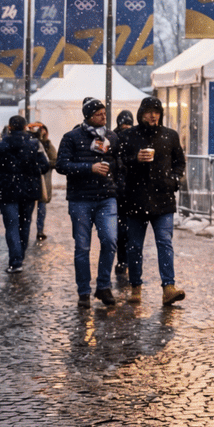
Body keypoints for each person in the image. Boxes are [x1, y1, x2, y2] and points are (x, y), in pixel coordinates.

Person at [115, 96, 188, 305]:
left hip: (163, 198)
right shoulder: (128, 136)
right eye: (148, 111)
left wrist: (173, 180)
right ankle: (136, 287)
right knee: (135, 246)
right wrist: (134, 160)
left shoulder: (170, 136)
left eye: (156, 111)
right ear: (141, 113)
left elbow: (179, 163)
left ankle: (168, 287)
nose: (153, 115)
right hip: (135, 199)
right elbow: (118, 163)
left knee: (164, 243)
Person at [56, 97, 121, 306]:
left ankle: (103, 286)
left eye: (104, 113)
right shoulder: (71, 137)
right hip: (80, 199)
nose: (104, 117)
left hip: (106, 197)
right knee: (82, 247)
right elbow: (62, 165)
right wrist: (88, 168)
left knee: (110, 241)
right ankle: (83, 292)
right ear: (88, 117)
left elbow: (120, 164)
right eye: (99, 114)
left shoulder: (112, 137)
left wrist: (116, 180)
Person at [0, 115, 48, 273]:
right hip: (29, 191)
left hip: (7, 191)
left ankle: (15, 261)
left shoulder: (0, 144)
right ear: (25, 127)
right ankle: (20, 257)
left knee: (11, 226)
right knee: (24, 225)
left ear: (9, 127)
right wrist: (31, 171)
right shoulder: (33, 143)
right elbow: (44, 166)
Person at [31, 122, 56, 241]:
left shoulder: (48, 145)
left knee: (41, 207)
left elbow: (55, 161)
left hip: (43, 180)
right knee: (33, 207)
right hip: (35, 180)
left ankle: (39, 230)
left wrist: (44, 165)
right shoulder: (33, 144)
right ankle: (35, 230)